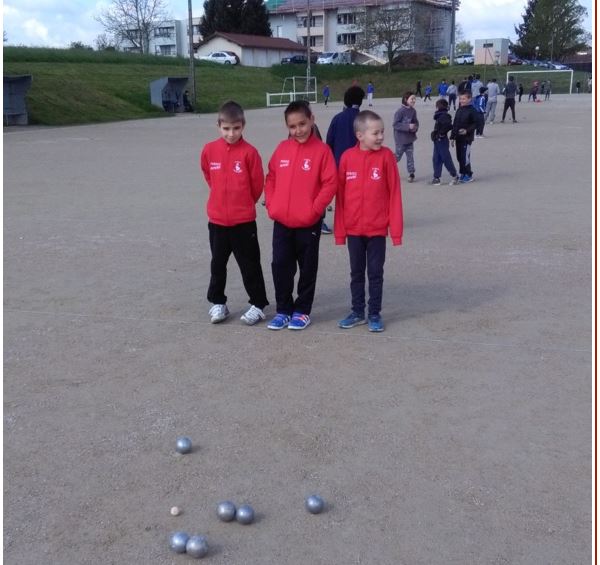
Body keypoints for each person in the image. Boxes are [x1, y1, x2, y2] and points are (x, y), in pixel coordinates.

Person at [264, 100, 337, 330]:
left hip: (308, 223)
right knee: (280, 266)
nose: (298, 130)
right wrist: (272, 205)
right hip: (282, 221)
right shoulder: (282, 149)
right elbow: (271, 177)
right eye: (292, 126)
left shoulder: (322, 151)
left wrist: (315, 210)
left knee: (307, 267)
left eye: (302, 124)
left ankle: (302, 310)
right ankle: (284, 309)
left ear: (312, 120)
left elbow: (330, 183)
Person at [200, 101, 269, 325]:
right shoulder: (209, 150)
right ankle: (218, 302)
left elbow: (257, 184)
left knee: (249, 265)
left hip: (243, 222)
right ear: (218, 126)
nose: (231, 134)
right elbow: (209, 175)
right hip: (218, 220)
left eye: (236, 128)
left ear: (243, 126)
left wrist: (244, 203)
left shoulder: (250, 153)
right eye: (226, 128)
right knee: (217, 264)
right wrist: (220, 197)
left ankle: (258, 304)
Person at [334, 110, 403, 333]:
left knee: (375, 273)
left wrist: (396, 230)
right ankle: (357, 312)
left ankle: (374, 313)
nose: (381, 137)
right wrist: (340, 231)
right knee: (356, 273)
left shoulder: (386, 157)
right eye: (376, 133)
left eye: (382, 132)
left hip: (376, 229)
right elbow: (341, 197)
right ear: (360, 135)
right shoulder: (346, 158)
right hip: (354, 228)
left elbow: (394, 193)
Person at [325, 86, 365, 235]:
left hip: (339, 163)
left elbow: (329, 141)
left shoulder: (338, 118)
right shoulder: (363, 119)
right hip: (360, 163)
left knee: (341, 195)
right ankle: (358, 220)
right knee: (358, 193)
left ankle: (343, 222)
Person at [429, 98, 459, 186]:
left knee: (446, 158)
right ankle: (436, 177)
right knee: (436, 158)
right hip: (437, 141)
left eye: (437, 106)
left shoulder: (445, 116)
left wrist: (441, 134)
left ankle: (454, 175)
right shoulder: (440, 116)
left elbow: (449, 126)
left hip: (442, 140)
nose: (436, 108)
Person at [450, 91, 477, 183]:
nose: (461, 100)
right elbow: (455, 124)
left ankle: (468, 174)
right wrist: (452, 137)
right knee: (459, 157)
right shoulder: (459, 109)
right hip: (458, 138)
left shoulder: (472, 110)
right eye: (460, 99)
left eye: (464, 99)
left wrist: (467, 130)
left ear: (470, 99)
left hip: (467, 139)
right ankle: (462, 173)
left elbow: (476, 123)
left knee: (465, 157)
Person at [393, 91, 419, 183]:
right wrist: (408, 126)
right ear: (405, 99)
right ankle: (385, 167)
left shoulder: (413, 111)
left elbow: (416, 122)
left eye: (414, 99)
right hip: (401, 140)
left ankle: (411, 173)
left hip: (409, 139)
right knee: (397, 157)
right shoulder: (400, 111)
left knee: (410, 157)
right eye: (412, 98)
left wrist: (414, 128)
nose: (414, 100)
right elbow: (395, 124)